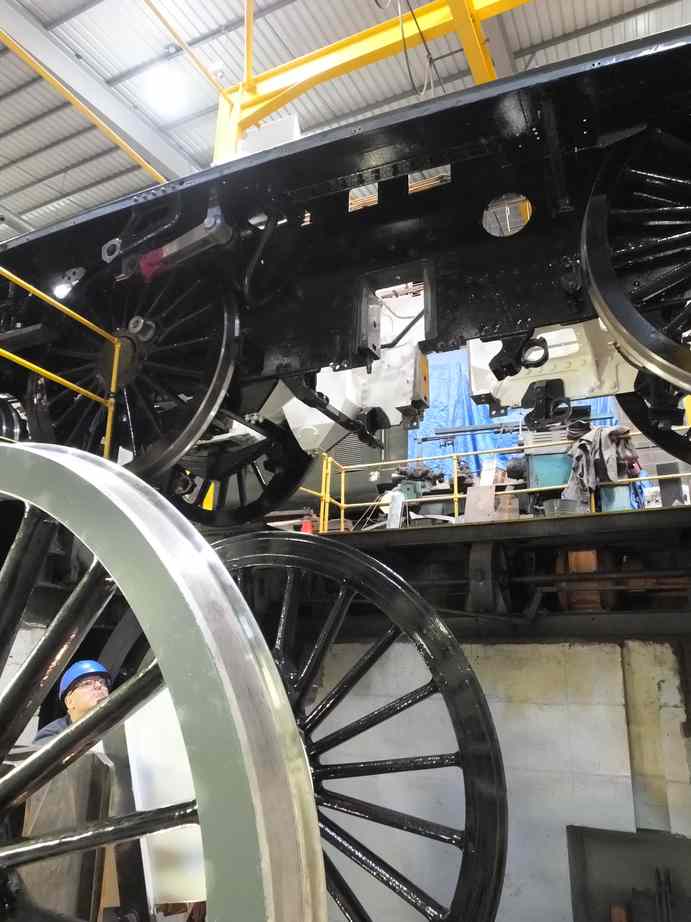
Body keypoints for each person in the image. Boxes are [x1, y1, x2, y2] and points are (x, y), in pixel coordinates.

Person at [33, 660, 111, 745]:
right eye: (87, 683)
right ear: (69, 701)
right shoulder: (51, 735)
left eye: (102, 682)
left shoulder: (118, 723)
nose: (99, 686)